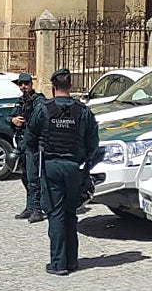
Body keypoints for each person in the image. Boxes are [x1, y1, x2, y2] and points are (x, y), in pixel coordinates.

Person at [24, 69, 100, 276]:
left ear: (52, 87)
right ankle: (72, 260)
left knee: (55, 214)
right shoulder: (82, 111)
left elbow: (29, 138)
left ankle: (58, 263)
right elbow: (94, 143)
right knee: (70, 213)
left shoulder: (44, 109)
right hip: (74, 168)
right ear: (71, 86)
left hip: (51, 167)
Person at [10, 73, 48, 223]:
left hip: (33, 143)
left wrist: (28, 122)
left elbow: (42, 119)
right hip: (22, 143)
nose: (23, 87)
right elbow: (10, 117)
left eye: (26, 84)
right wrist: (13, 120)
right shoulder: (20, 101)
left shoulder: (39, 100)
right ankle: (29, 207)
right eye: (21, 84)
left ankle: (38, 210)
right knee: (25, 177)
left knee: (34, 178)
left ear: (31, 84)